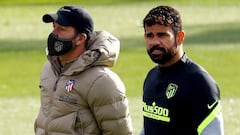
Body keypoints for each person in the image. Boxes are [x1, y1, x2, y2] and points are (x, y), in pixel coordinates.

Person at [34, 5, 133, 135]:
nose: (54, 34)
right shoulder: (49, 69)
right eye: (54, 27)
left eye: (62, 29)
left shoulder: (102, 81)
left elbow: (119, 132)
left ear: (81, 38)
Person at [140, 5, 224, 135]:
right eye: (149, 35)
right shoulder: (151, 77)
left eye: (162, 35)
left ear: (180, 37)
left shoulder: (199, 82)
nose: (154, 42)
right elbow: (149, 127)